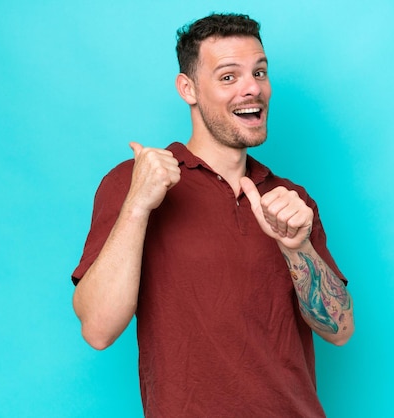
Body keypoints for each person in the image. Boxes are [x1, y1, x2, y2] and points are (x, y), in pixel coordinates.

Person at [71, 12, 354, 417]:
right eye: (228, 77)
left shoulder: (290, 198)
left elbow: (340, 331)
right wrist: (136, 206)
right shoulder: (135, 182)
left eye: (260, 72)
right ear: (188, 89)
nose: (251, 88)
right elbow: (97, 329)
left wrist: (297, 248)